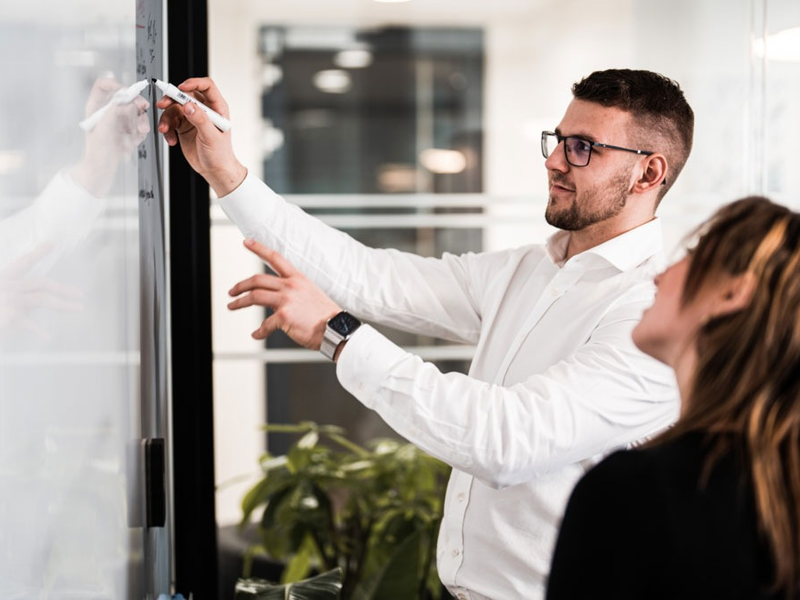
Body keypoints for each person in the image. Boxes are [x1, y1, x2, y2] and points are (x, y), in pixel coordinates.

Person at [156, 68, 694, 599]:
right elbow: (368, 277)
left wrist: (336, 333)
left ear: (647, 174)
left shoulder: (651, 313)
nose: (554, 160)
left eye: (583, 148)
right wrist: (226, 173)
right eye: (557, 140)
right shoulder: (528, 271)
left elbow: (506, 441)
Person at [545, 197, 800, 600]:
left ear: (732, 294)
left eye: (694, 255)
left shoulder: (633, 494)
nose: (661, 275)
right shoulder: (780, 496)